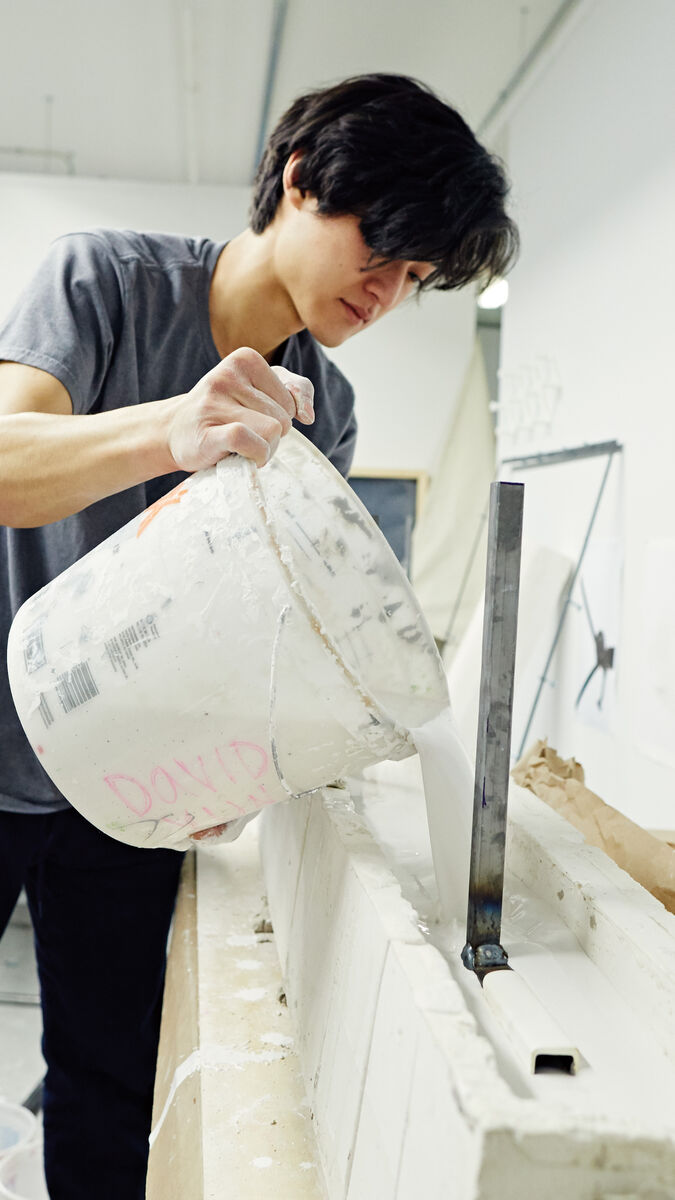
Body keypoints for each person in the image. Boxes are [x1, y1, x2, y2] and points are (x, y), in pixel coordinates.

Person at [0, 73, 518, 1198]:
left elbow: (272, 630)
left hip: (135, 801)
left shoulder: (320, 408)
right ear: (298, 181)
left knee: (105, 1084)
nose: (388, 291)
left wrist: (261, 750)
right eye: (380, 250)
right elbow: (5, 467)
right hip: (2, 739)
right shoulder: (107, 284)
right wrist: (170, 428)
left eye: (419, 279)